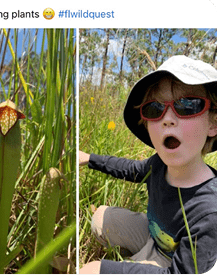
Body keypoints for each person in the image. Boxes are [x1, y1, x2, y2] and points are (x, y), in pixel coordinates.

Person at [79, 55, 217, 274]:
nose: (167, 118)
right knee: (100, 219)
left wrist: (106, 270)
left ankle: (139, 262)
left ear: (213, 124)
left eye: (187, 105)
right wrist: (89, 158)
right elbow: (132, 169)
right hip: (154, 235)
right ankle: (139, 257)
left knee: (92, 271)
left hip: (173, 264)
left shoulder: (209, 211)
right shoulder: (159, 165)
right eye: (155, 108)